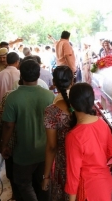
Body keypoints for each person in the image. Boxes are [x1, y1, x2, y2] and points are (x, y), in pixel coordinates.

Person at [1, 59, 55, 201]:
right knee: (44, 182)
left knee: (23, 184)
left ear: (21, 75)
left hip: (23, 153)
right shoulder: (49, 96)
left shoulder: (13, 97)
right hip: (45, 152)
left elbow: (8, 125)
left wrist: (4, 145)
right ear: (38, 75)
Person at [65, 83, 112, 201]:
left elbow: (73, 175)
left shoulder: (74, 136)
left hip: (87, 189)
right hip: (105, 183)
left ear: (71, 104)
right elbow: (111, 152)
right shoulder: (102, 123)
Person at [42, 66, 73, 201]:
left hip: (63, 164)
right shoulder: (83, 104)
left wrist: (46, 176)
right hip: (83, 163)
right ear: (72, 81)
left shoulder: (51, 111)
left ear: (53, 82)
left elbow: (52, 147)